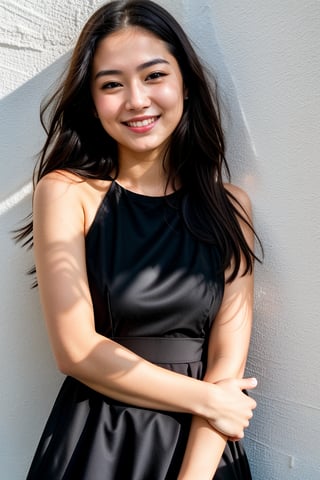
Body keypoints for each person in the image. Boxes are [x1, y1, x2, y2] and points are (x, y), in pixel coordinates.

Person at [17, 1, 261, 478]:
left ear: (185, 85)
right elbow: (75, 349)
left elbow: (227, 363)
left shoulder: (231, 207)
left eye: (154, 76)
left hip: (205, 448)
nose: (136, 100)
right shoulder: (67, 192)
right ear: (92, 101)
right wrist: (210, 400)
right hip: (100, 443)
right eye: (112, 84)